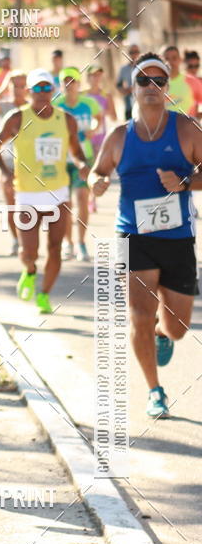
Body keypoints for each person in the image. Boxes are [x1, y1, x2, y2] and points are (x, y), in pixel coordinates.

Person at [90, 52, 200, 418]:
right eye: (143, 81)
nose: (151, 87)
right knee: (139, 313)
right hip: (133, 235)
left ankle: (164, 335)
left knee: (178, 326)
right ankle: (155, 391)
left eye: (158, 81)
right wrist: (98, 183)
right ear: (132, 88)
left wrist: (185, 182)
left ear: (168, 88)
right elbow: (96, 171)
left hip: (178, 238)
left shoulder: (186, 129)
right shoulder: (120, 136)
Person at [0, 68, 88, 314]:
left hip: (58, 194)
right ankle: (30, 270)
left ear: (53, 90)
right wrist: (3, 170)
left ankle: (44, 294)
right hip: (27, 195)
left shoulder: (66, 119)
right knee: (28, 251)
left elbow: (76, 151)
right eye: (38, 88)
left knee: (55, 248)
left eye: (47, 88)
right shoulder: (17, 117)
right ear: (29, 92)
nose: (43, 93)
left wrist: (83, 165)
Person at [54, 67, 100, 260]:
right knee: (65, 203)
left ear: (78, 84)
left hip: (83, 156)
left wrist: (93, 130)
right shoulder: (56, 104)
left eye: (73, 81)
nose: (69, 85)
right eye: (66, 82)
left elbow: (98, 119)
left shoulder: (88, 103)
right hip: (61, 158)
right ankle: (68, 243)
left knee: (82, 198)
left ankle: (81, 243)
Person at [0, 69, 28, 256]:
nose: (18, 89)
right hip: (7, 161)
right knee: (10, 203)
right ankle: (15, 239)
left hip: (29, 163)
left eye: (21, 85)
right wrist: (2, 88)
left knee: (26, 206)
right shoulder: (4, 106)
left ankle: (27, 240)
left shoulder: (33, 107)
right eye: (14, 85)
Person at [85, 63, 117, 212]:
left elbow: (114, 115)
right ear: (88, 77)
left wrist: (102, 113)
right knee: (86, 166)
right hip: (85, 136)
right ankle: (85, 196)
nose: (96, 78)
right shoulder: (82, 95)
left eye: (99, 75)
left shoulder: (106, 95)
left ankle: (92, 199)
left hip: (100, 136)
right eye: (93, 75)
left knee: (96, 167)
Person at [162, 44, 196, 116]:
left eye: (174, 58)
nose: (170, 62)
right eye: (167, 59)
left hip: (187, 126)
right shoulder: (157, 83)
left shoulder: (192, 81)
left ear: (180, 59)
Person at [116, 43, 140, 120]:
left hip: (142, 104)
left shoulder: (144, 68)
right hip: (129, 105)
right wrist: (125, 91)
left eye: (136, 52)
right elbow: (118, 85)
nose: (134, 55)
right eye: (132, 52)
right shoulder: (124, 69)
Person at [184, 50, 202, 119]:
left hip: (192, 125)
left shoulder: (199, 82)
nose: (194, 69)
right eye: (190, 66)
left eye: (196, 66)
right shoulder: (180, 82)